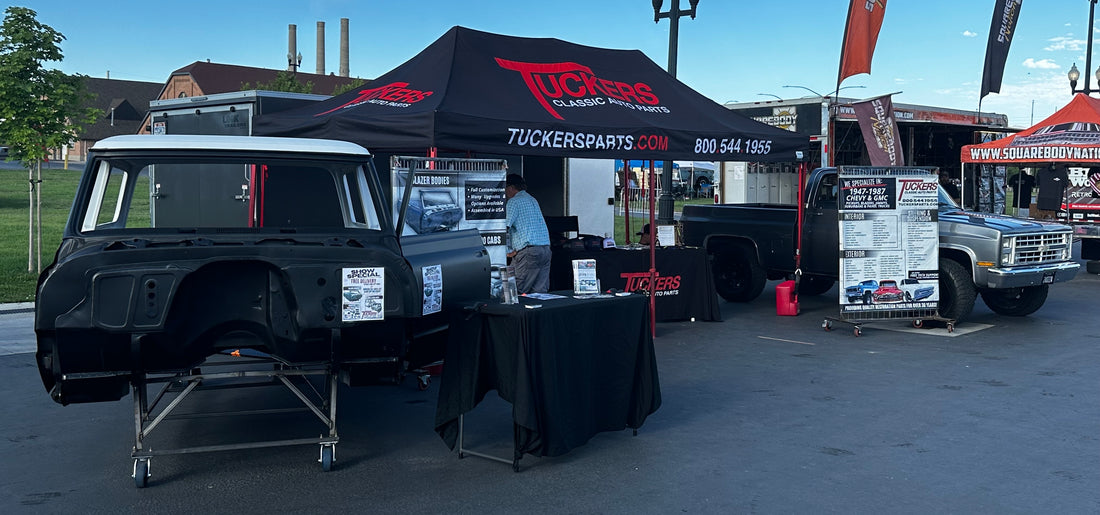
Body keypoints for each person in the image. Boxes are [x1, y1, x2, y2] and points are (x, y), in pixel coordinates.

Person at [504, 173, 551, 294]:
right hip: (545, 249)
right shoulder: (532, 199)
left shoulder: (514, 202)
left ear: (511, 187)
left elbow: (505, 227)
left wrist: (506, 250)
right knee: (539, 292)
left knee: (516, 289)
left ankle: (514, 313)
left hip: (529, 251)